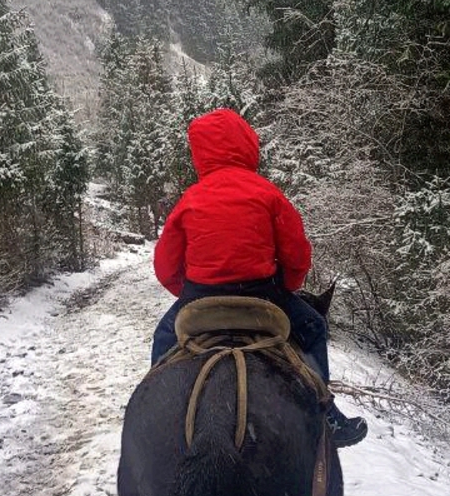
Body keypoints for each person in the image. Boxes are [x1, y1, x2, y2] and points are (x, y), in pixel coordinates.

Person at [151, 107, 367, 447]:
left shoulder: (189, 200)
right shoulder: (268, 193)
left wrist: (188, 291)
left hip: (199, 299)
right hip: (263, 297)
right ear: (249, 145)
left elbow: (164, 265)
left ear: (199, 153)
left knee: (163, 340)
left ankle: (159, 418)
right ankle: (326, 417)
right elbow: (297, 253)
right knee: (313, 328)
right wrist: (289, 287)